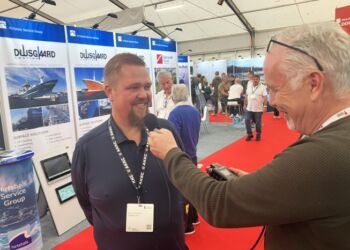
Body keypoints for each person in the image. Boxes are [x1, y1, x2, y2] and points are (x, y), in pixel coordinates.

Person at [148, 22, 350, 249]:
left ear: (314, 83)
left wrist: (171, 154)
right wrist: (259, 185)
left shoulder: (323, 154)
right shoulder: (337, 138)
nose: (272, 101)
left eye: (275, 88)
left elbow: (219, 204)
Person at [71, 53, 188, 250]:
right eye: (134, 87)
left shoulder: (166, 132)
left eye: (147, 86)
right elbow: (89, 207)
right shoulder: (87, 148)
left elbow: (185, 185)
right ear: (110, 92)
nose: (144, 94)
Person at [168, 84, 201, 235]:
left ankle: (186, 225)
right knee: (192, 188)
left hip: (180, 157)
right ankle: (194, 218)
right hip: (192, 153)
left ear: (173, 97)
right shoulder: (194, 111)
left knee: (181, 192)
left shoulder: (174, 114)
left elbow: (172, 138)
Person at [243, 74, 267, 141]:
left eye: (257, 79)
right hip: (249, 108)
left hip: (258, 108)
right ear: (252, 79)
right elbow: (246, 96)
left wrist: (265, 106)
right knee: (247, 120)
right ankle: (249, 134)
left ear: (259, 80)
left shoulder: (263, 87)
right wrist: (244, 105)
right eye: (254, 79)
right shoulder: (249, 86)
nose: (255, 80)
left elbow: (265, 97)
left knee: (258, 122)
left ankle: (258, 134)